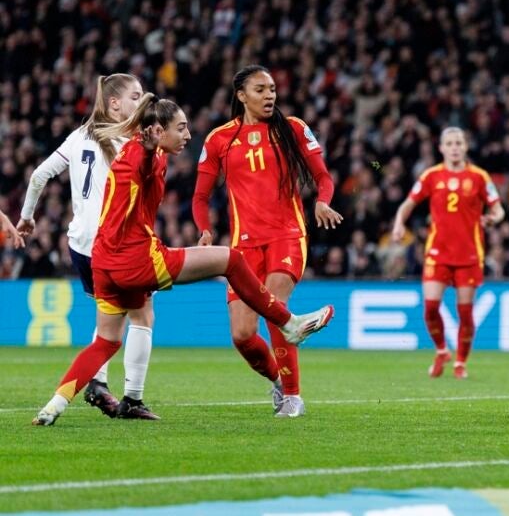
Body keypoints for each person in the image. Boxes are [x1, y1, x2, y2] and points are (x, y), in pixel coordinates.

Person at [32, 94, 334, 426]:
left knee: (106, 341)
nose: (188, 135)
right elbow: (144, 164)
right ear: (157, 131)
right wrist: (150, 150)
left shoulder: (135, 150)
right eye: (181, 128)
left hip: (104, 262)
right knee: (231, 260)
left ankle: (53, 407)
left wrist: (150, 147)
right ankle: (289, 324)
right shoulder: (145, 154)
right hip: (136, 259)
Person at [193, 65, 341, 418]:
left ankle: (293, 397)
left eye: (272, 88)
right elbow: (199, 196)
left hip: (287, 235)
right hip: (243, 246)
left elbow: (323, 176)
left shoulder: (293, 128)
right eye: (260, 89)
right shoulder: (219, 139)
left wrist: (322, 201)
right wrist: (205, 230)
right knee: (242, 335)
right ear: (241, 95)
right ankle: (278, 379)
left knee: (275, 307)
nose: (269, 95)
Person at [17, 74, 162, 420]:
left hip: (79, 245)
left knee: (108, 313)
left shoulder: (78, 135)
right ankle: (133, 397)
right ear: (114, 103)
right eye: (135, 96)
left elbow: (38, 176)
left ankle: (97, 382)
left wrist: (27, 217)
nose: (141, 101)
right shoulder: (130, 142)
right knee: (142, 315)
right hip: (113, 243)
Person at [391, 127, 505, 379]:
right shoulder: (431, 176)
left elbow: (499, 209)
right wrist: (399, 224)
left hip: (469, 255)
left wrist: (493, 218)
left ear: (465, 147)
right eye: (450, 143)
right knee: (431, 307)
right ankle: (442, 350)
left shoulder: (479, 177)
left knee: (465, 312)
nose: (454, 148)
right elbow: (408, 204)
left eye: (458, 143)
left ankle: (460, 362)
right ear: (441, 148)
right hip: (438, 253)